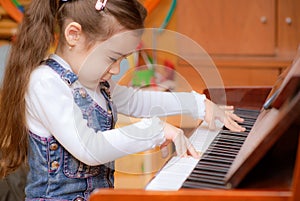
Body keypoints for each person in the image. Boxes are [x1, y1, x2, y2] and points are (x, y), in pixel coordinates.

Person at [0, 0, 245, 200]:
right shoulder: (45, 83)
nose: (117, 69)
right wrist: (155, 130)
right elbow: (90, 149)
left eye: (123, 58)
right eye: (112, 57)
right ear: (73, 35)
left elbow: (138, 102)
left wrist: (199, 105)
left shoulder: (95, 81)